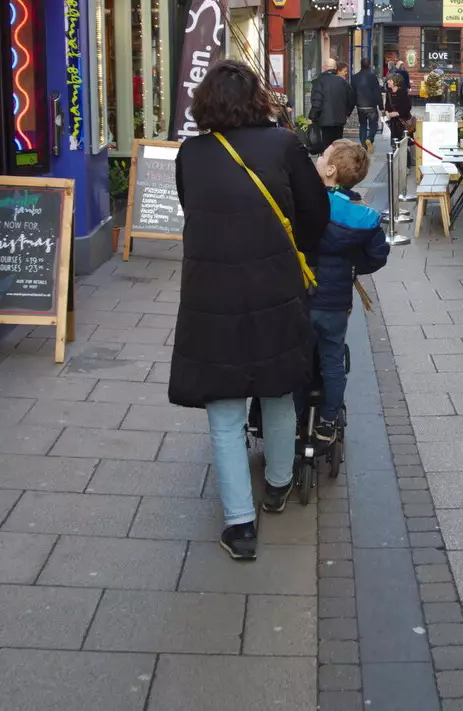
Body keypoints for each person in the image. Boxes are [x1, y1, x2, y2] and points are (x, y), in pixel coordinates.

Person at [171, 60, 330, 561]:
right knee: (278, 389)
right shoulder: (282, 145)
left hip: (210, 295)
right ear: (257, 99)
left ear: (206, 104)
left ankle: (240, 527)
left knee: (223, 412)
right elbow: (316, 213)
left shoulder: (191, 155)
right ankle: (279, 485)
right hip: (273, 290)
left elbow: (190, 210)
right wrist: (291, 253)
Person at [306, 140, 390, 442]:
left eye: (323, 156)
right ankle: (328, 421)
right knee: (332, 360)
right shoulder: (361, 216)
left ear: (329, 170)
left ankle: (290, 417)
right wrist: (352, 264)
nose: (318, 157)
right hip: (336, 303)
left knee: (297, 358)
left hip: (302, 299)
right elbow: (378, 254)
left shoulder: (307, 205)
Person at [308, 57, 353, 150]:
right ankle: (337, 162)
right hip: (339, 119)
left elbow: (317, 101)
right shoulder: (342, 82)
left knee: (326, 145)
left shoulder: (319, 81)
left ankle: (327, 161)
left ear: (325, 67)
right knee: (337, 144)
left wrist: (312, 117)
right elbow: (351, 99)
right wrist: (347, 112)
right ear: (335, 68)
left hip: (324, 119)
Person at [350, 59, 383, 151]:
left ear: (361, 65)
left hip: (360, 105)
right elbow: (377, 92)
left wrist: (351, 106)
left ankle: (363, 145)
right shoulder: (373, 77)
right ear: (369, 65)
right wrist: (381, 107)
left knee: (363, 125)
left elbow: (352, 93)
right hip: (371, 106)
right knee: (374, 124)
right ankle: (369, 138)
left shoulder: (354, 77)